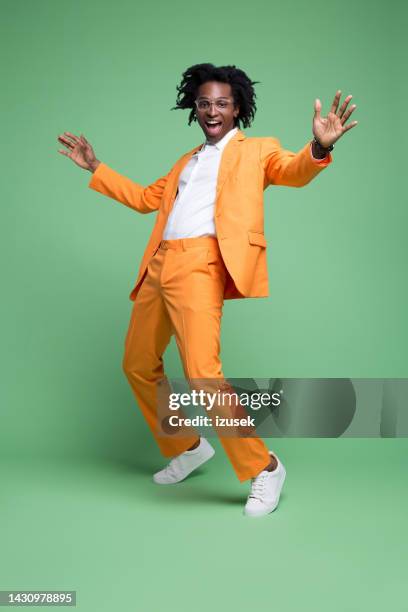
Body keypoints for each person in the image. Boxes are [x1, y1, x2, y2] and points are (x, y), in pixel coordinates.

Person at [57, 63, 357, 517]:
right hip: (159, 264)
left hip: (202, 265)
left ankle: (266, 466)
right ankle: (188, 446)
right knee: (137, 363)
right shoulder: (187, 161)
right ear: (193, 108)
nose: (212, 110)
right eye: (204, 103)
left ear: (237, 107)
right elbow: (144, 200)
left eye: (221, 103)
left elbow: (293, 170)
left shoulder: (258, 150)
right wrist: (95, 166)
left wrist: (318, 146)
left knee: (203, 374)